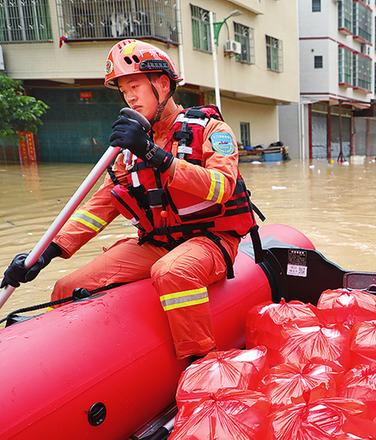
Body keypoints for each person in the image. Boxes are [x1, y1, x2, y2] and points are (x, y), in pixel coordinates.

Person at [1, 39, 258, 360]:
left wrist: (155, 155)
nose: (130, 96)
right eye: (124, 91)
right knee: (68, 285)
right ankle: (68, 361)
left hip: (210, 240)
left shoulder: (212, 130)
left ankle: (201, 361)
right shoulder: (130, 149)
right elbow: (100, 208)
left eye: (135, 85)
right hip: (156, 242)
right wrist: (47, 252)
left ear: (162, 85)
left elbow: (221, 187)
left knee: (172, 272)